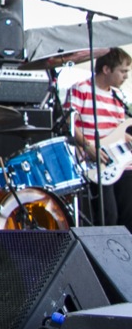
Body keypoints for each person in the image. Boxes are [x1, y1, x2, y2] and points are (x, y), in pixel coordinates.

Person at [65, 47, 132, 229]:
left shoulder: (118, 96)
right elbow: (68, 124)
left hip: (121, 161)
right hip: (95, 161)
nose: (126, 76)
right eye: (123, 71)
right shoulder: (81, 89)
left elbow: (118, 132)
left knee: (129, 216)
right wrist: (88, 147)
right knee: (108, 216)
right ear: (106, 69)